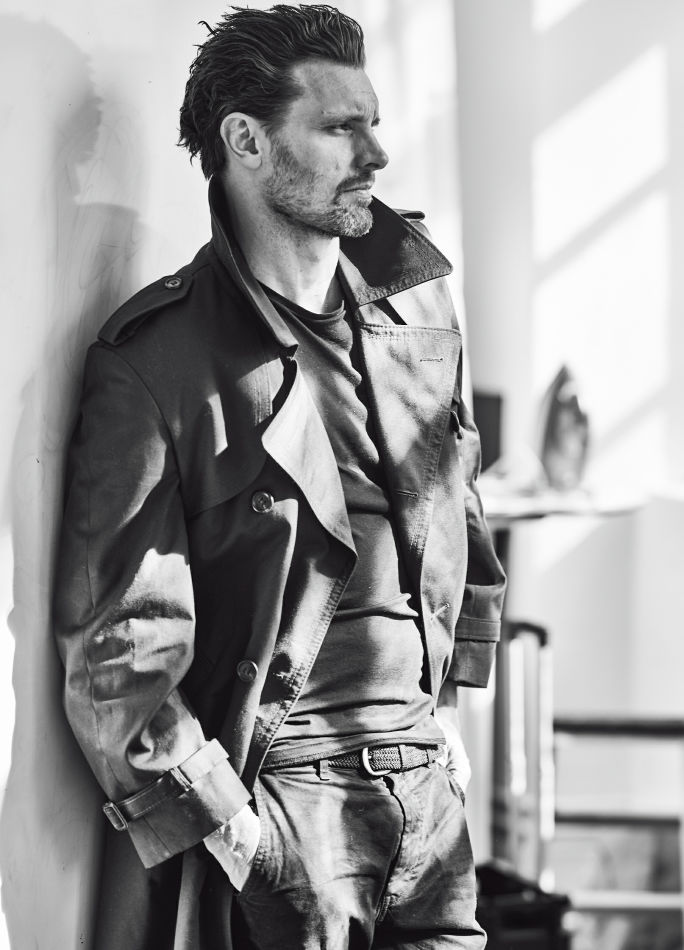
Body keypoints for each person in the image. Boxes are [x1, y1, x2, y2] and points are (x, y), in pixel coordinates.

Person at [53, 5, 506, 949]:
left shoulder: (418, 301)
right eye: (341, 127)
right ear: (246, 141)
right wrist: (244, 838)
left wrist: (447, 721)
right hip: (288, 795)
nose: (376, 153)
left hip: (428, 790)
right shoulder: (159, 360)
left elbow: (458, 503)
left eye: (373, 122)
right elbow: (119, 649)